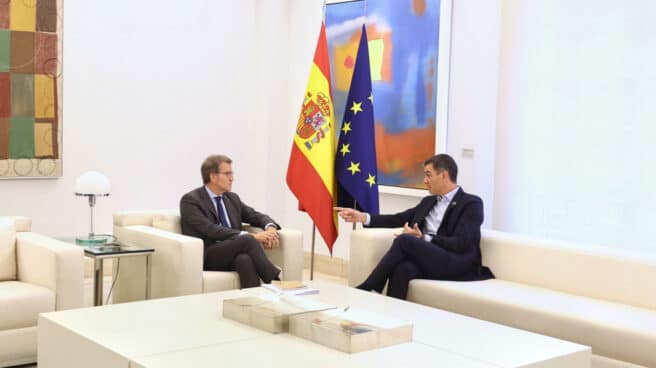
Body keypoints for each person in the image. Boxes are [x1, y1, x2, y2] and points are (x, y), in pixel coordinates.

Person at [336, 154, 494, 299]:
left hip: (457, 262)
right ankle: (393, 317)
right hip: (433, 259)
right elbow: (398, 218)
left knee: (406, 240)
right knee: (403, 269)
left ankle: (368, 286)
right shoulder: (429, 201)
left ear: (444, 175)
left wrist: (424, 238)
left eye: (428, 175)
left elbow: (462, 242)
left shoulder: (471, 203)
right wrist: (363, 217)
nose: (425, 181)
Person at [180, 154, 281, 288]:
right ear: (213, 176)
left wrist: (271, 228)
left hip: (232, 252)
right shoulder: (191, 200)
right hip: (207, 255)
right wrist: (253, 237)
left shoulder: (231, 198)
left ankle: (251, 302)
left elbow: (255, 216)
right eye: (227, 174)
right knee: (248, 240)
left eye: (231, 174)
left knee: (244, 260)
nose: (232, 178)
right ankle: (276, 281)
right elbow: (210, 229)